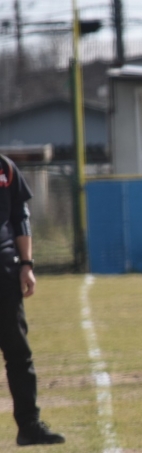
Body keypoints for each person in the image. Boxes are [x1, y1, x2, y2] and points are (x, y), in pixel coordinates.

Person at [0, 154, 65, 446]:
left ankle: (29, 426)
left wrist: (26, 264)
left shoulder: (5, 168)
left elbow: (19, 216)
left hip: (5, 271)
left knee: (18, 352)